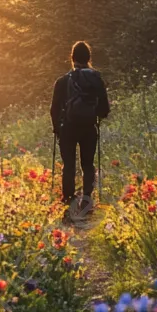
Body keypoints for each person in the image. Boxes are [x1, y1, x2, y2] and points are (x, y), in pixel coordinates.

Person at [51, 41, 110, 213]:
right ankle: (87, 199)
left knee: (69, 164)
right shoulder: (96, 79)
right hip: (89, 127)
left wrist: (57, 128)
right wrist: (96, 115)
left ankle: (68, 200)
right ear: (89, 58)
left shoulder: (62, 81)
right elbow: (104, 109)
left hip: (68, 128)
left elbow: (54, 109)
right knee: (88, 164)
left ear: (72, 58)